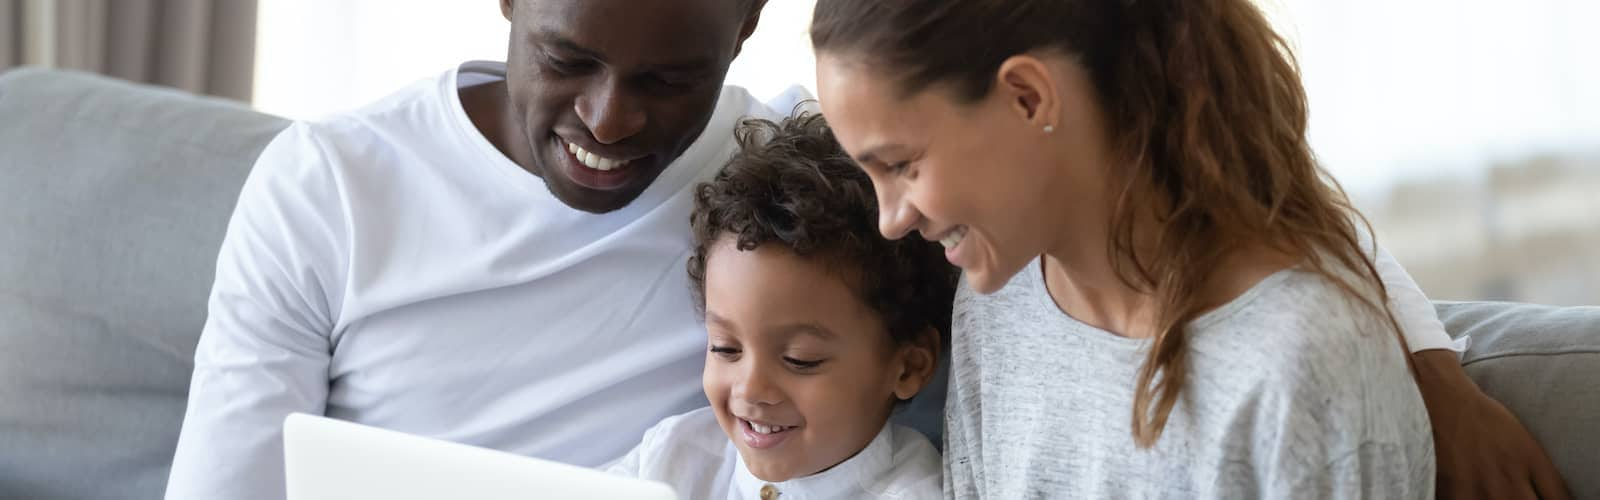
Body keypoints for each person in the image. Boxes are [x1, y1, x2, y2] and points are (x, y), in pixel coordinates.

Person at [810, 0, 1571, 498]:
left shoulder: (1303, 363)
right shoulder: (996, 299)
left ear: (1028, 98)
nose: (891, 219)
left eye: (902, 164)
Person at [159, 1, 848, 499]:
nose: (608, 121)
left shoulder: (789, 177)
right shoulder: (327, 184)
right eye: (566, 61)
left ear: (747, 22)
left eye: (667, 81)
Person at [605, 112, 951, 499]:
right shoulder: (671, 456)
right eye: (725, 348)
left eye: (800, 360)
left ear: (908, 367)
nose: (750, 389)